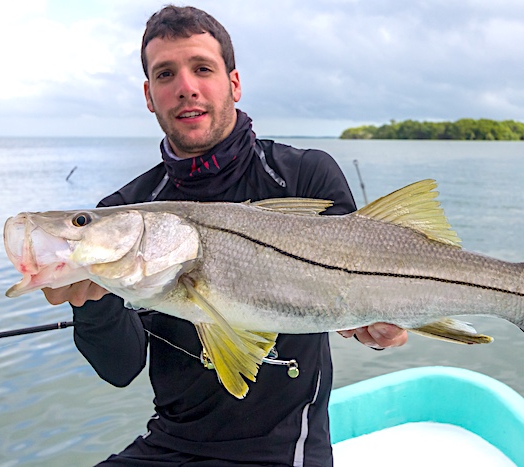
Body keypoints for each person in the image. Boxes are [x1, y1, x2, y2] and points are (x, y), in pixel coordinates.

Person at [42, 5, 407, 466]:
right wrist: (89, 302)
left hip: (284, 447)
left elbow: (358, 293)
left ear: (233, 83)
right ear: (149, 95)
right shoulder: (125, 213)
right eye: (165, 74)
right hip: (169, 444)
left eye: (202, 68)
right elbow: (120, 369)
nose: (186, 87)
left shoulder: (303, 175)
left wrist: (378, 326)